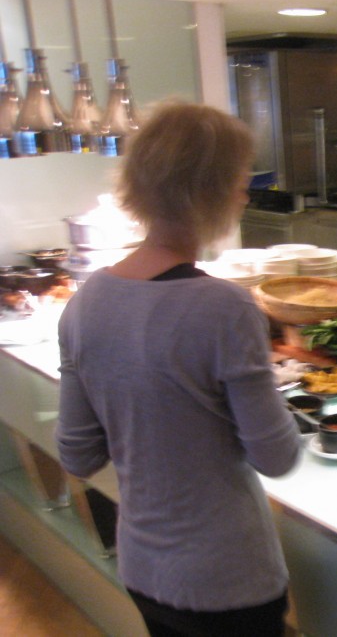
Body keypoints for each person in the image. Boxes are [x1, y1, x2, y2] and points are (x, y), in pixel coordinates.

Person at [55, 101, 302, 637]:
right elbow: (276, 456)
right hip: (230, 578)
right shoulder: (224, 308)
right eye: (239, 180)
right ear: (208, 191)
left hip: (144, 566)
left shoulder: (85, 301)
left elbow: (77, 454)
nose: (245, 192)